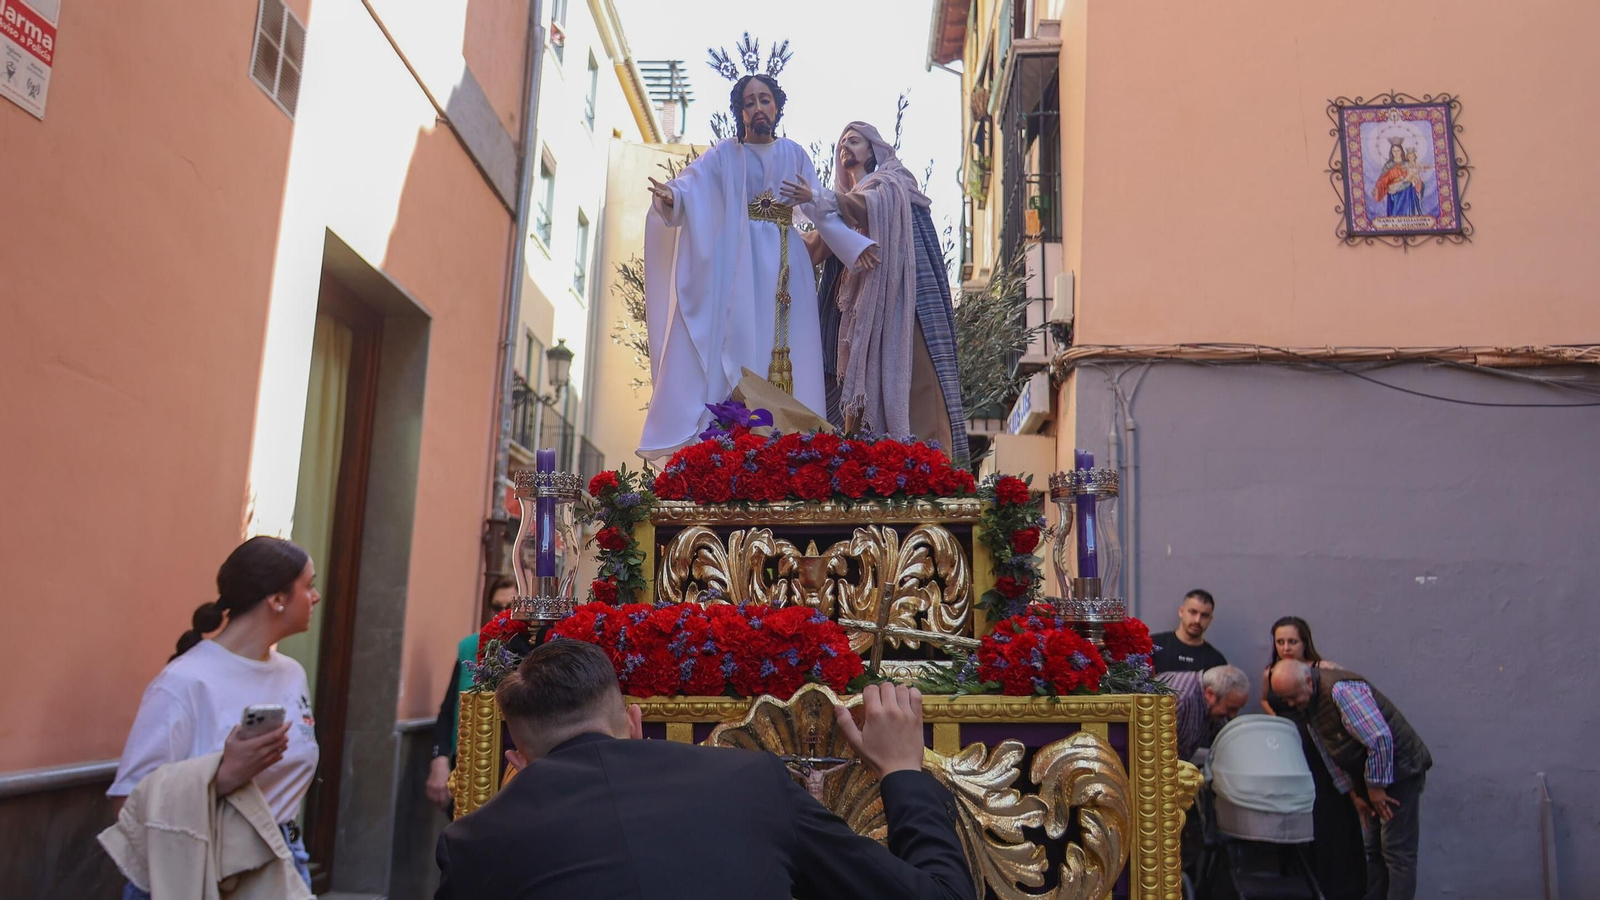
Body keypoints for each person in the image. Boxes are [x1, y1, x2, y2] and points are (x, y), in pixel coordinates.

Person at [434, 640, 974, 900]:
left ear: (518, 764)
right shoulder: (751, 781)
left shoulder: (471, 842)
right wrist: (903, 770)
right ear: (635, 721)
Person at [639, 37, 872, 459]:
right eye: (749, 102)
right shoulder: (725, 155)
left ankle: (798, 445)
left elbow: (821, 210)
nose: (758, 108)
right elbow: (692, 187)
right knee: (743, 339)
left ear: (777, 107)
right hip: (740, 265)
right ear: (740, 111)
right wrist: (672, 199)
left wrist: (854, 246)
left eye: (765, 99)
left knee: (792, 350)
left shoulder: (794, 153)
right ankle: (737, 440)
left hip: (789, 266)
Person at [106, 536, 321, 897]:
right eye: (308, 586)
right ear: (277, 599)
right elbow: (126, 804)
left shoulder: (293, 674)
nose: (315, 597)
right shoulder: (184, 681)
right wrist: (224, 775)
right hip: (204, 869)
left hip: (283, 858)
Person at [806, 122, 969, 464]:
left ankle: (930, 472)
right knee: (853, 397)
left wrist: (818, 199)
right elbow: (814, 247)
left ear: (873, 150)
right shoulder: (836, 210)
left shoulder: (893, 182)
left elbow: (867, 206)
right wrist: (764, 229)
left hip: (901, 306)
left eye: (854, 141)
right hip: (855, 320)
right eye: (840, 145)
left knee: (919, 391)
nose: (845, 148)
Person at [1270, 659, 1432, 900]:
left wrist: (1375, 786)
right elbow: (1329, 753)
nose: (1292, 704)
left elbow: (1379, 739)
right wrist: (1354, 794)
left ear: (1307, 681)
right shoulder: (1310, 702)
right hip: (1372, 774)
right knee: (1375, 850)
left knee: (1397, 852)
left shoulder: (1340, 691)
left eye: (1293, 697)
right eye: (1286, 700)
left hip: (1400, 771)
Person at [1259, 617, 1365, 899]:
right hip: (1288, 753)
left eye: (1292, 641)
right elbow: (1265, 700)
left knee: (1330, 813)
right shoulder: (1271, 672)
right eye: (1280, 642)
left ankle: (1341, 885)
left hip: (1321, 754)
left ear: (1305, 641)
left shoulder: (1322, 670)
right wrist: (1280, 721)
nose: (1285, 647)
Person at [426, 575, 517, 813]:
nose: (502, 613)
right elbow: (448, 710)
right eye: (497, 607)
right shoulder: (471, 646)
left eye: (511, 607)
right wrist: (440, 758)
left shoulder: (532, 649)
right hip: (467, 766)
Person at [1156, 664, 1250, 763]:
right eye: (1230, 709)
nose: (1233, 715)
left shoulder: (1210, 703)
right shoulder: (1180, 702)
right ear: (1210, 694)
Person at [1150, 589, 1228, 672]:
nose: (1197, 620)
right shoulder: (1154, 645)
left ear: (1210, 619)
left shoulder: (1216, 661)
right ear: (1181, 612)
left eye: (1204, 615)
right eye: (1193, 612)